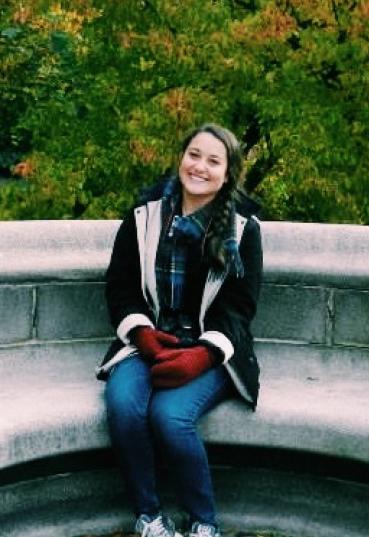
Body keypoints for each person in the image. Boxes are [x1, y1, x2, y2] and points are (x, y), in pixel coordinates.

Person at [96, 123, 263, 537]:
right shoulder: (143, 218)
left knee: (170, 417)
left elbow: (239, 310)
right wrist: (141, 335)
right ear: (181, 157)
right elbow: (120, 290)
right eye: (194, 155)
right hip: (148, 343)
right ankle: (149, 517)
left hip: (212, 351)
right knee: (124, 406)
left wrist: (202, 356)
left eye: (213, 161)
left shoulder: (243, 230)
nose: (200, 167)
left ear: (228, 174)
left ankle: (204, 523)